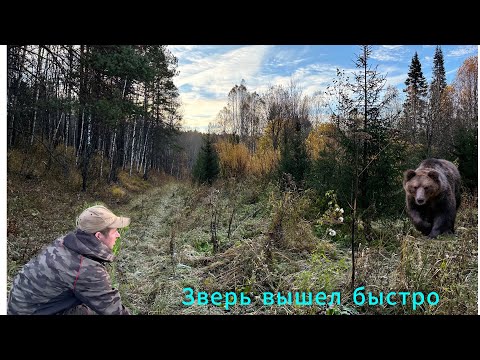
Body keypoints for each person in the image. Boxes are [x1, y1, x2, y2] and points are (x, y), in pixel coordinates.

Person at [8, 205, 132, 315]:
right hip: (30, 310)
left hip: (18, 306)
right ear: (98, 236)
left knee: (85, 307)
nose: (118, 235)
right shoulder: (87, 269)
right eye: (114, 231)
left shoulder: (65, 242)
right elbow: (114, 310)